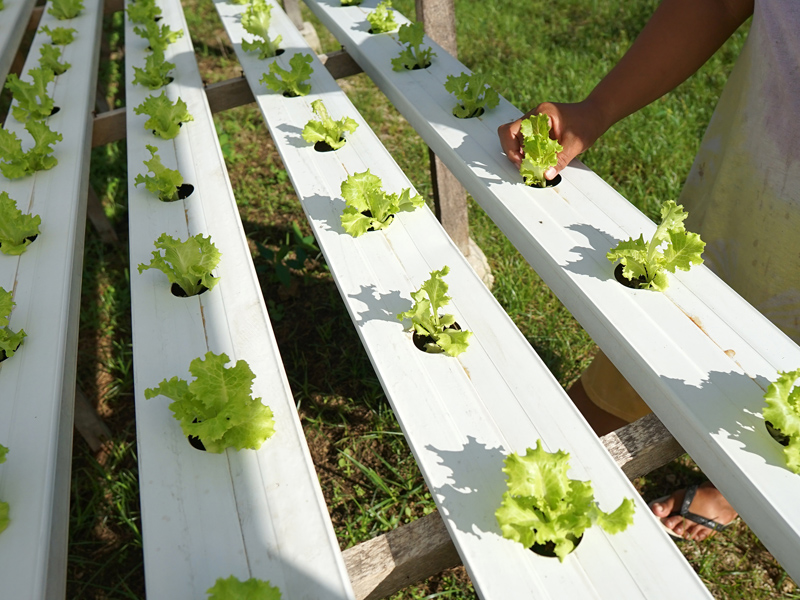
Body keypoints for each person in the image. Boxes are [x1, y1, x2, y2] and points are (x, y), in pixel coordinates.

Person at [498, 0, 800, 541]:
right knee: (665, 334)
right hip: (749, 192)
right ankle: (585, 433)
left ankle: (729, 486)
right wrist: (596, 108)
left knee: (774, 422)